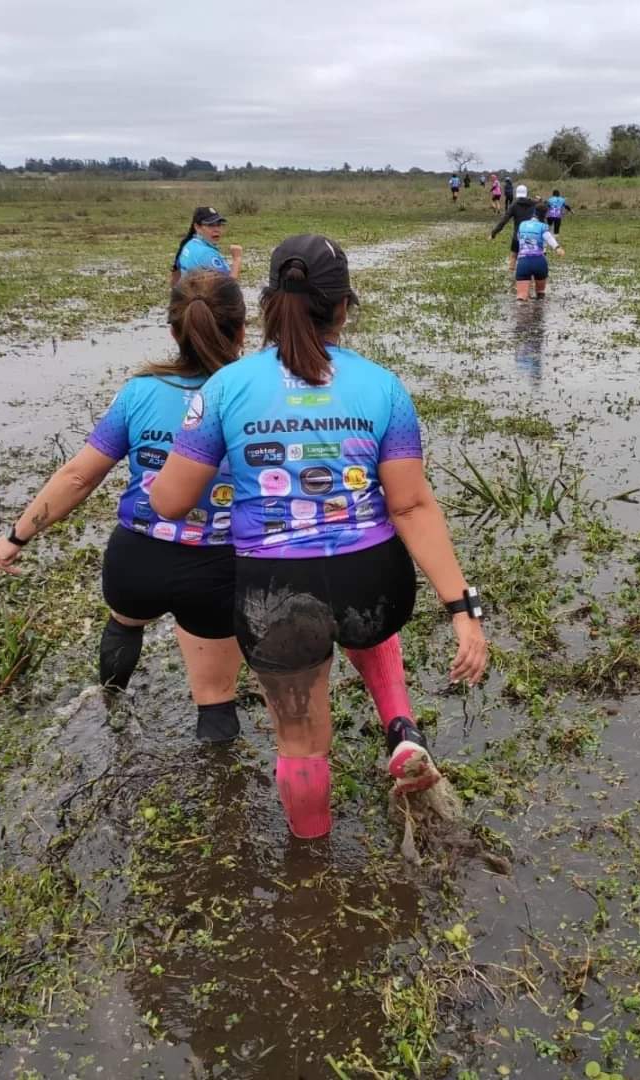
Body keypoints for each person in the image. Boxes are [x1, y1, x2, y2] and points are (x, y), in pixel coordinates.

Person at [149, 235, 488, 840]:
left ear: (268, 304)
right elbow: (411, 505)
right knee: (361, 624)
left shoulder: (223, 389)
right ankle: (401, 725)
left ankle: (311, 860)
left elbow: (170, 501)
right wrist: (462, 611)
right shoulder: (384, 386)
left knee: (301, 740)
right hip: (375, 586)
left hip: (275, 594)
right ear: (343, 308)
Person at [0, 272, 248, 743]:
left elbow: (78, 477)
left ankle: (108, 713)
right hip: (216, 568)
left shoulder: (139, 392)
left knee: (125, 624)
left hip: (136, 559)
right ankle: (218, 780)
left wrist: (16, 536)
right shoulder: (253, 395)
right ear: (242, 330)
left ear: (173, 330)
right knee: (215, 695)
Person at [171, 207, 242, 285]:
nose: (217, 229)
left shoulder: (189, 244)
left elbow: (176, 275)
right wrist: (237, 259)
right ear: (197, 227)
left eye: (219, 225)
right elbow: (229, 287)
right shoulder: (207, 254)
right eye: (210, 225)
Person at [514, 202, 564, 301]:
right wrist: (557, 248)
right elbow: (549, 238)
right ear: (545, 215)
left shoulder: (522, 224)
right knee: (540, 295)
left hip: (523, 262)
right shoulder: (543, 227)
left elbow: (519, 239)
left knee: (521, 297)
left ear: (534, 212)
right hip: (539, 262)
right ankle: (539, 309)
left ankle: (522, 307)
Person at [491, 184, 537, 273]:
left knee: (513, 256)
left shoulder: (514, 205)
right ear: (526, 193)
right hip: (531, 236)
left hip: (518, 236)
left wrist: (494, 233)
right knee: (530, 257)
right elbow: (544, 208)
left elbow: (504, 221)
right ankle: (530, 276)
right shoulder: (534, 204)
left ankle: (511, 273)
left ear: (517, 194)